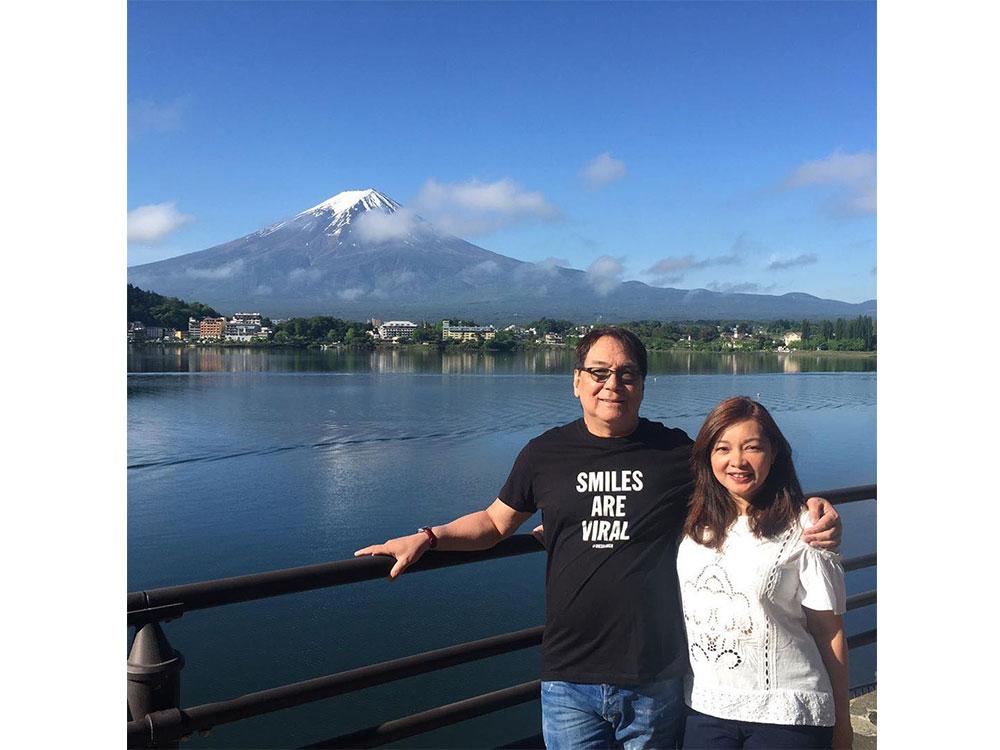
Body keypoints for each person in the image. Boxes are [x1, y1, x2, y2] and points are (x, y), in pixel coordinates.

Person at [355, 328, 841, 749]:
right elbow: (495, 523)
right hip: (569, 676)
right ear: (576, 381)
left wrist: (811, 511)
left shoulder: (675, 452)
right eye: (599, 372)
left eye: (627, 374)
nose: (613, 384)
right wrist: (428, 537)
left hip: (656, 674)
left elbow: (740, 480)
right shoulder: (543, 453)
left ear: (643, 386)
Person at [678, 397, 851, 749]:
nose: (737, 461)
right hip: (705, 708)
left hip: (788, 713)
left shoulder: (805, 528)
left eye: (752, 447)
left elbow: (828, 631)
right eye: (723, 448)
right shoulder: (694, 525)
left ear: (774, 454)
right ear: (708, 456)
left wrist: (842, 723)